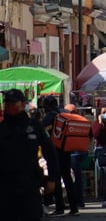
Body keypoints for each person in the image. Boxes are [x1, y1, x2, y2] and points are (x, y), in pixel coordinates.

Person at [0, 89, 58, 221]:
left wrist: (52, 179)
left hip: (29, 185)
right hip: (5, 187)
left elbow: (50, 152)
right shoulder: (2, 128)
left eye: (14, 102)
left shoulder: (34, 126)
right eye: (7, 103)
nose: (9, 106)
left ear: (24, 104)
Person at [47, 101, 80, 217]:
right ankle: (74, 208)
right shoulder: (64, 116)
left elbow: (44, 131)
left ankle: (59, 208)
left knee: (56, 180)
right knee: (68, 180)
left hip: (55, 152)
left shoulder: (50, 117)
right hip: (66, 150)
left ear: (48, 106)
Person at [67, 104, 89, 208]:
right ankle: (79, 200)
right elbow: (91, 135)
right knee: (77, 176)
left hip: (74, 153)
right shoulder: (83, 120)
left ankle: (77, 201)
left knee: (74, 177)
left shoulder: (69, 121)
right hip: (83, 152)